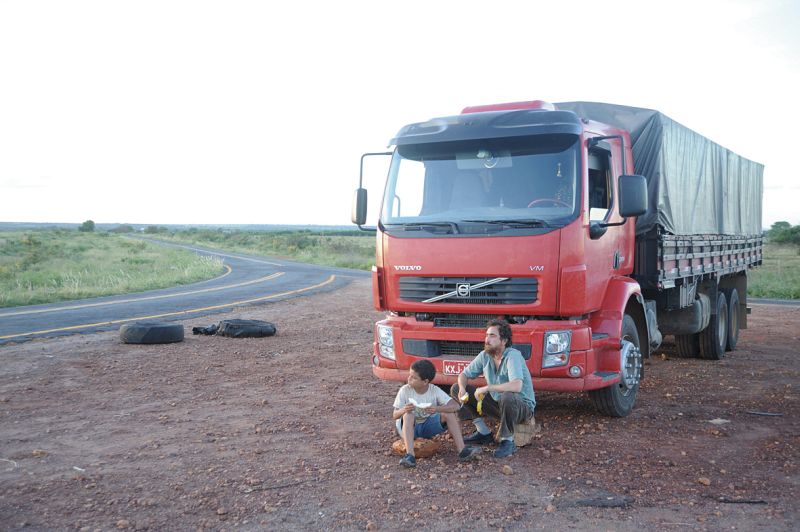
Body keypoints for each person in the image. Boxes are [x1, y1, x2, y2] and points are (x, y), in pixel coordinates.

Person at [451, 319, 536, 458]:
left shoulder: (512, 355)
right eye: (486, 335)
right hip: (499, 405)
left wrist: (488, 387)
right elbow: (464, 375)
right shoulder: (485, 355)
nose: (487, 339)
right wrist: (461, 388)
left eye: (492, 336)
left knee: (507, 395)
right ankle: (483, 433)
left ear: (503, 341)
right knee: (455, 388)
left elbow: (517, 385)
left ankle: (508, 441)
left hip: (521, 408)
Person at [392, 359, 482, 468]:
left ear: (425, 381)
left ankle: (462, 450)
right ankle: (409, 455)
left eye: (414, 377)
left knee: (448, 414)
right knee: (408, 415)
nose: (409, 379)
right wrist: (403, 410)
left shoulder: (434, 390)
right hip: (409, 427)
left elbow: (456, 406)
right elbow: (395, 415)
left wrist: (437, 408)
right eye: (410, 375)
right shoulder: (405, 390)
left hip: (427, 427)